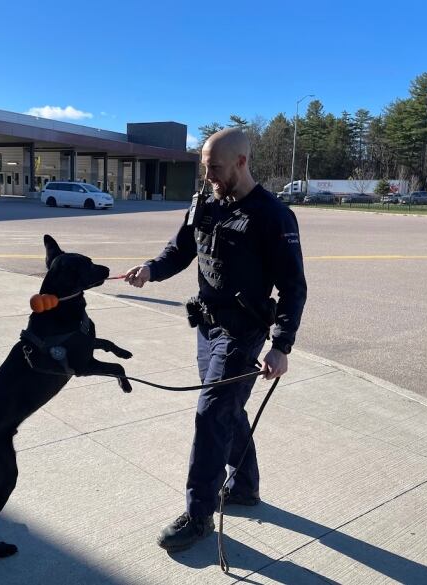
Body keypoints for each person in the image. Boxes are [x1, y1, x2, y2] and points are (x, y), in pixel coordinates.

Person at [124, 128, 307, 552]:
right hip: (207, 329)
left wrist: (281, 345)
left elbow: (293, 288)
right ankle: (244, 487)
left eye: (216, 168)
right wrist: (151, 270)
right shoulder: (204, 204)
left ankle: (199, 514)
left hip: (243, 333)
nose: (209, 177)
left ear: (241, 162)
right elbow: (179, 250)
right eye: (206, 168)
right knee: (228, 409)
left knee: (211, 415)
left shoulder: (273, 215)